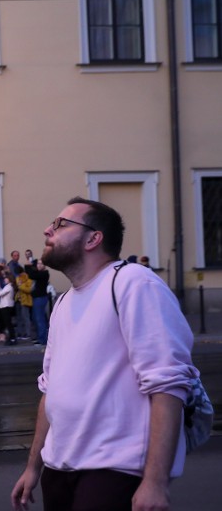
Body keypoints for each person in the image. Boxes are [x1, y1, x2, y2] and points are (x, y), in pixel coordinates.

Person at [11, 197, 199, 511]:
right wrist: (34, 466)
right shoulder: (64, 302)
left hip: (114, 470)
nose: (48, 230)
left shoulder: (133, 283)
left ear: (93, 238)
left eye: (60, 224)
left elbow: (167, 385)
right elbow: (50, 391)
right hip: (59, 469)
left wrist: (155, 481)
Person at [26, 259, 50, 345]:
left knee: (40, 319)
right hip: (37, 298)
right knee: (37, 319)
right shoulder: (39, 273)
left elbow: (31, 275)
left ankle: (43, 340)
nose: (39, 265)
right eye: (38, 264)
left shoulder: (44, 273)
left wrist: (28, 266)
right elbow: (32, 274)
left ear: (44, 265)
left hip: (40, 298)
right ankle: (40, 338)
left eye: (41, 264)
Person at [0, 272, 18, 346]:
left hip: (6, 306)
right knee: (8, 323)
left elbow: (0, 294)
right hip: (7, 306)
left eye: (6, 278)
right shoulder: (8, 286)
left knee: (8, 323)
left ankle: (12, 338)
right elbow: (2, 293)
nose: (4, 279)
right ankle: (11, 337)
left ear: (9, 279)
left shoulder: (9, 286)